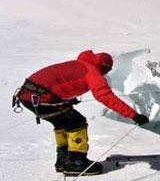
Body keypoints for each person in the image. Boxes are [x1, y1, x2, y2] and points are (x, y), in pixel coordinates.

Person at [12, 50, 150, 176]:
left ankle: (63, 160)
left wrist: (68, 100)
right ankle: (76, 162)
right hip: (40, 98)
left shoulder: (79, 64)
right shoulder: (92, 72)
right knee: (76, 122)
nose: (104, 74)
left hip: (28, 95)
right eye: (106, 71)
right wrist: (134, 115)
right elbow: (105, 96)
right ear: (103, 66)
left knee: (63, 121)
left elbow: (60, 82)